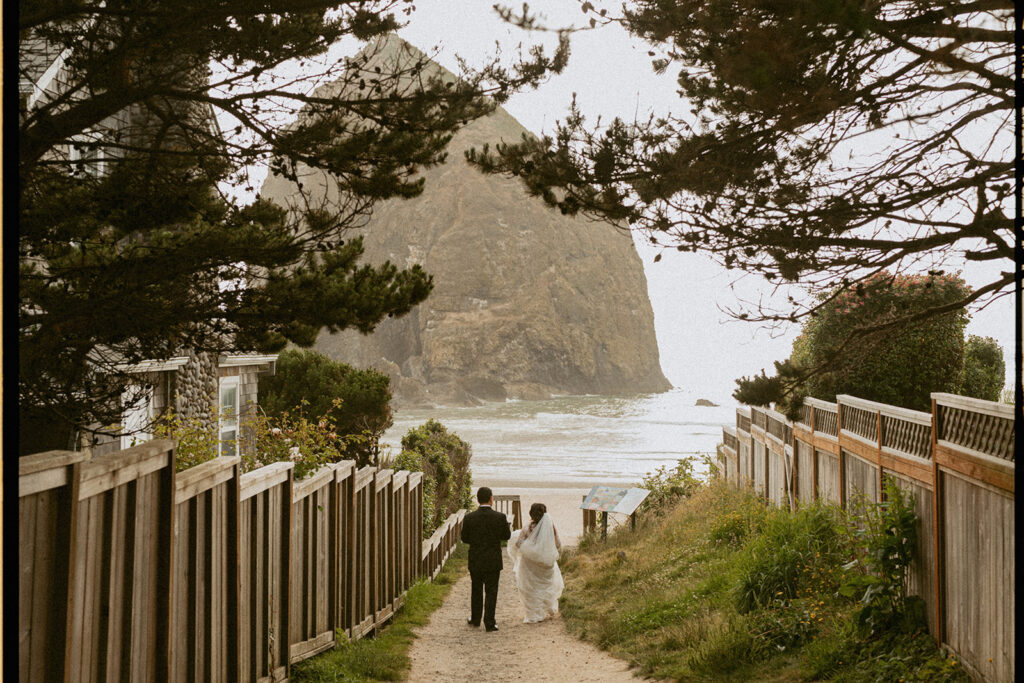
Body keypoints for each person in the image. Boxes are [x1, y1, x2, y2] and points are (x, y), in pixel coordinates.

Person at [460, 486, 512, 631]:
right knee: (491, 590)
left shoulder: (469, 517)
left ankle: (475, 619)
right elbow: (506, 536)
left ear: (477, 499)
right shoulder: (500, 517)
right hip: (493, 559)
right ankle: (490, 622)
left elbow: (464, 538)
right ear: (491, 499)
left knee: (476, 589)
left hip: (475, 558)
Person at [507, 502, 564, 623]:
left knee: (531, 589)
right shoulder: (550, 527)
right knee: (546, 585)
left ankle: (534, 614)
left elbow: (518, 544)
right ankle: (548, 607)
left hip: (529, 564)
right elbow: (558, 544)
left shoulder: (527, 527)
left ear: (531, 513)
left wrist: (528, 548)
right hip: (546, 564)